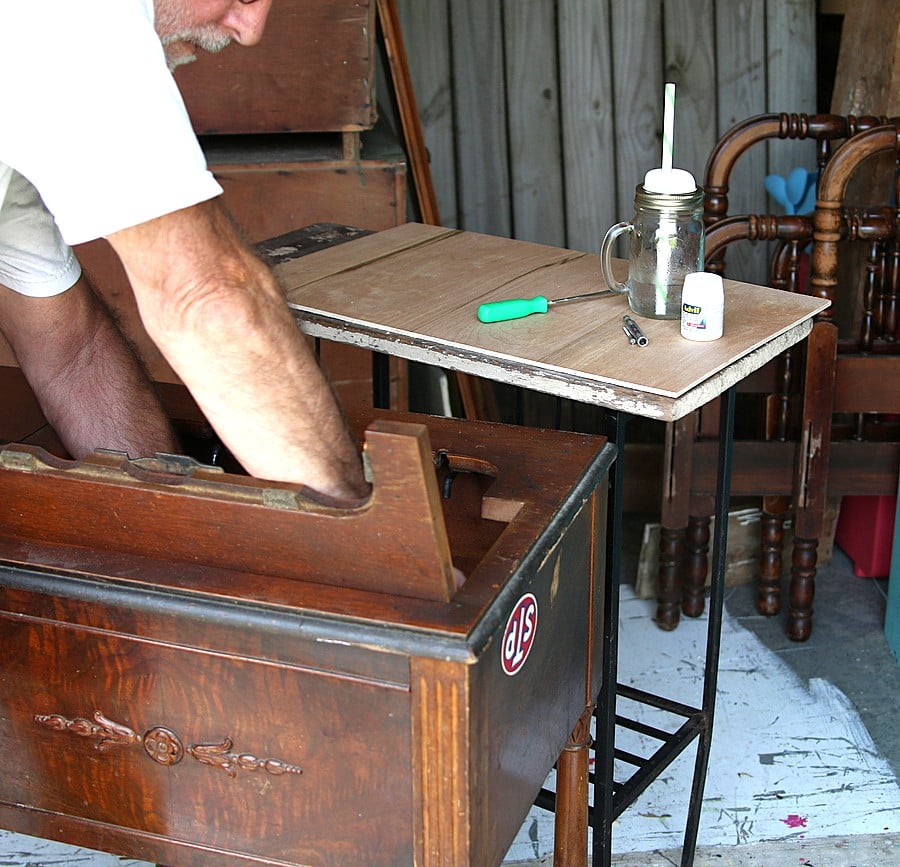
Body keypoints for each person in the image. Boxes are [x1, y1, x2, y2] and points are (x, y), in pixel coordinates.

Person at [0, 0, 369, 500]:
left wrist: (172, 526)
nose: (250, 29)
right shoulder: (70, 14)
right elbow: (204, 295)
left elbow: (72, 354)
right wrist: (365, 541)